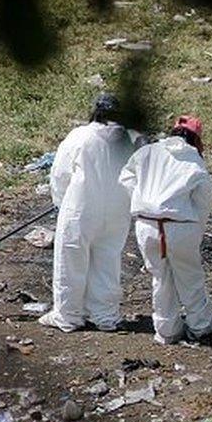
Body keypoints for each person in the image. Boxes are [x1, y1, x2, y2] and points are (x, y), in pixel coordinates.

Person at [39, 93, 146, 332]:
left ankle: (68, 315)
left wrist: (61, 202)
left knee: (71, 259)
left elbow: (60, 174)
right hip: (118, 208)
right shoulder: (128, 140)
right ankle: (105, 315)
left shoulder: (81, 136)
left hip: (81, 207)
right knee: (108, 260)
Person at [119, 115, 212, 344]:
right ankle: (200, 325)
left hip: (146, 224)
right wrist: (197, 228)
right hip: (180, 226)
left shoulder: (147, 152)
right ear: (195, 138)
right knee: (190, 277)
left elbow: (125, 177)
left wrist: (141, 197)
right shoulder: (193, 160)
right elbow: (203, 200)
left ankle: (167, 330)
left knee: (160, 277)